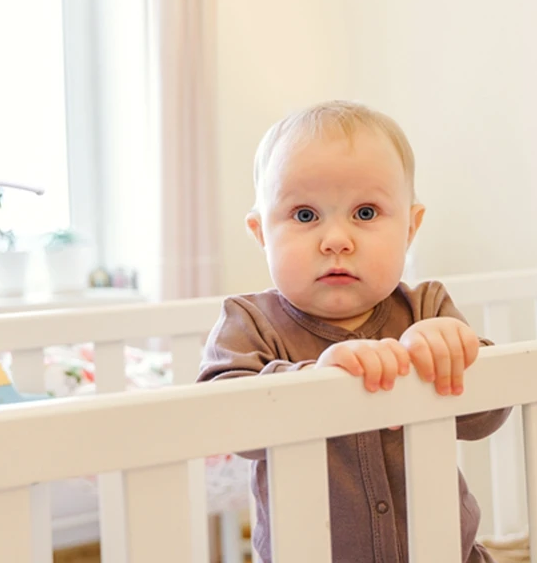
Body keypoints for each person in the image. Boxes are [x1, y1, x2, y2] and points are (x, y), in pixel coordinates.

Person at [197, 100, 511, 563]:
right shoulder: (249, 325)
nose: (336, 239)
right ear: (261, 232)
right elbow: (220, 423)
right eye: (305, 215)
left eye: (365, 213)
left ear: (410, 226)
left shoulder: (428, 309)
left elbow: (486, 417)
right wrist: (311, 379)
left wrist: (457, 350)